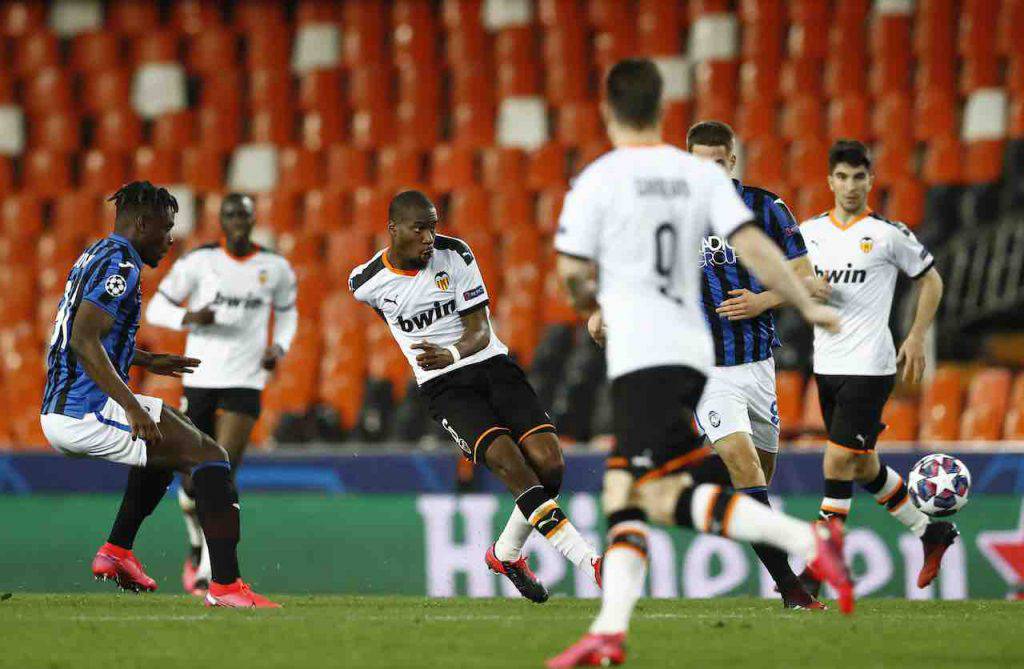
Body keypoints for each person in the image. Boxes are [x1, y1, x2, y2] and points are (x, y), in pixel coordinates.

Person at [548, 59, 852, 667]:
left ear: (607, 111)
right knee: (637, 493)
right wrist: (804, 306)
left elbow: (573, 278)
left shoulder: (598, 181)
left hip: (650, 356)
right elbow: (756, 249)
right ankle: (611, 631)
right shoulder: (695, 181)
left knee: (643, 493)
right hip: (696, 355)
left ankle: (805, 541)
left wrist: (595, 302)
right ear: (662, 111)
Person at [349, 190, 601, 603]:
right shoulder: (366, 282)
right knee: (509, 463)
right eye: (419, 228)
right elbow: (381, 305)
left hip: (490, 366)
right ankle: (592, 563)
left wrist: (447, 352)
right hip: (445, 389)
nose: (430, 236)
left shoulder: (456, 255)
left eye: (433, 226)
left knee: (550, 467)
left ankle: (506, 553)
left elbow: (479, 330)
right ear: (393, 230)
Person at [40, 181, 277, 607]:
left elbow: (85, 334)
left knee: (174, 438)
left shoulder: (98, 254)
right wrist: (132, 407)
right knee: (210, 458)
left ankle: (117, 551)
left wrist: (148, 361)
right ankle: (224, 586)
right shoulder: (123, 267)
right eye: (166, 228)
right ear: (142, 223)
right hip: (83, 410)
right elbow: (82, 339)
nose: (171, 239)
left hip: (73, 403)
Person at [796, 140, 957, 596]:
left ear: (871, 180)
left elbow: (931, 281)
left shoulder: (888, 234)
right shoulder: (808, 234)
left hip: (871, 362)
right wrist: (807, 290)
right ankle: (931, 532)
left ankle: (820, 565)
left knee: (837, 458)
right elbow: (790, 283)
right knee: (863, 466)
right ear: (829, 181)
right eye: (842, 177)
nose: (850, 186)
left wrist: (916, 335)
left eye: (859, 177)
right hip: (826, 363)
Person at [686, 120, 828, 609]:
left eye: (717, 164)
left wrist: (762, 300)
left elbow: (808, 279)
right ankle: (793, 587)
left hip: (757, 366)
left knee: (757, 477)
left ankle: (700, 492)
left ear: (731, 162)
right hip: (705, 371)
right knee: (743, 465)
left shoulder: (766, 208)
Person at [145, 192, 298, 595]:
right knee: (193, 480)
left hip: (246, 380)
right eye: (230, 214)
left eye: (244, 215)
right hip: (200, 378)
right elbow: (156, 308)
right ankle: (197, 544)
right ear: (221, 220)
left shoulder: (274, 267)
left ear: (252, 219)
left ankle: (213, 568)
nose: (237, 221)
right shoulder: (199, 263)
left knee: (221, 468)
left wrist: (278, 347)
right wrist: (189, 316)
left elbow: (287, 312)